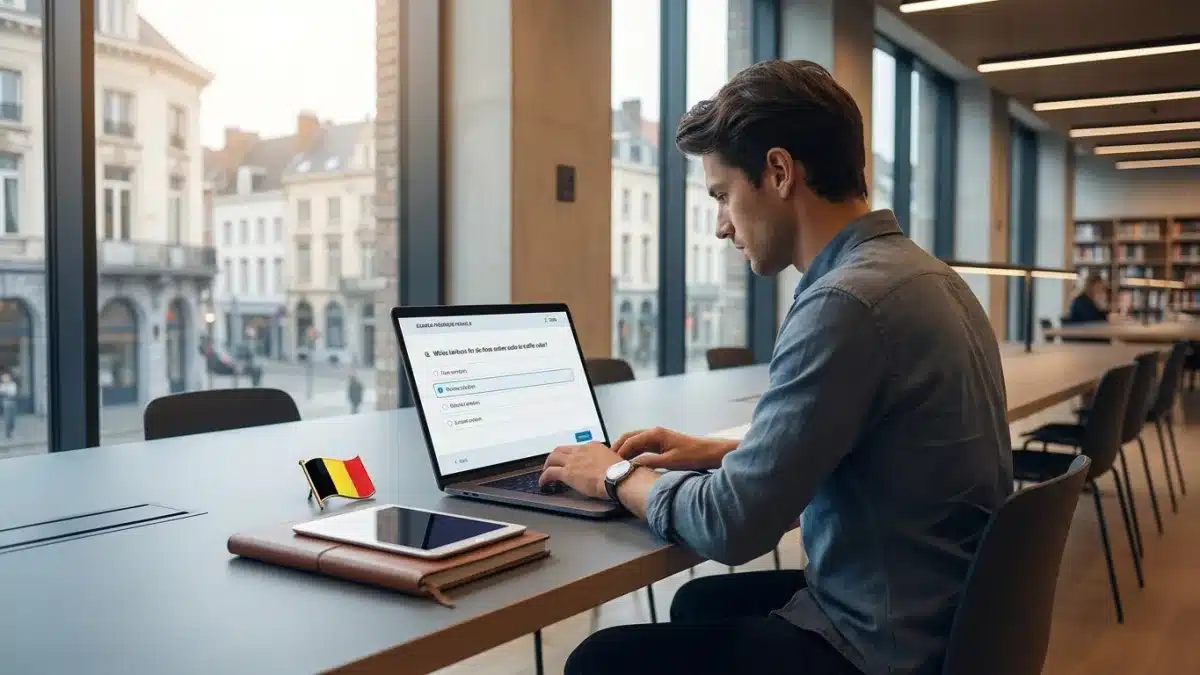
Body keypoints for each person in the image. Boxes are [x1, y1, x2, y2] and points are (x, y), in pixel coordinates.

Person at [539, 60, 1012, 675]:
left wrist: (614, 474)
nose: (720, 226)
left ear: (780, 172)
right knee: (696, 601)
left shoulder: (845, 302)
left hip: (877, 645)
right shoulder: (926, 276)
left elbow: (735, 528)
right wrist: (716, 454)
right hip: (945, 619)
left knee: (601, 660)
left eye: (722, 195)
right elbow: (861, 451)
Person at [0, 371, 17, 439]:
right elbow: (2, 393)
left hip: (13, 403)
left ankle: (11, 428)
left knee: (12, 419)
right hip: (6, 404)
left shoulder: (13, 384)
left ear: (10, 378)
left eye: (7, 377)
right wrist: (7, 392)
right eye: (4, 378)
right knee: (7, 418)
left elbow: (13, 393)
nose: (6, 379)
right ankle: (8, 433)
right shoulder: (2, 385)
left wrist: (6, 392)